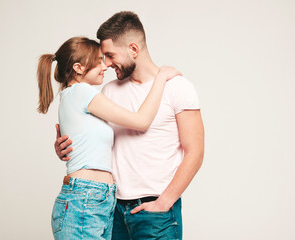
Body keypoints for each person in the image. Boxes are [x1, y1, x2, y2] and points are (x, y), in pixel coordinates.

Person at [55, 11, 204, 240]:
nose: (106, 63)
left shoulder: (178, 87)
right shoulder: (109, 91)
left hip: (156, 212)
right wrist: (65, 146)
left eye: (110, 55)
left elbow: (195, 151)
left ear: (133, 49)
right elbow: (93, 139)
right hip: (111, 210)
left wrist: (165, 201)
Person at [37, 36, 180, 240]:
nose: (105, 66)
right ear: (78, 68)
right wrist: (161, 77)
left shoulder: (75, 97)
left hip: (97, 199)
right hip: (85, 199)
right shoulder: (82, 92)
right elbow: (140, 121)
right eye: (98, 61)